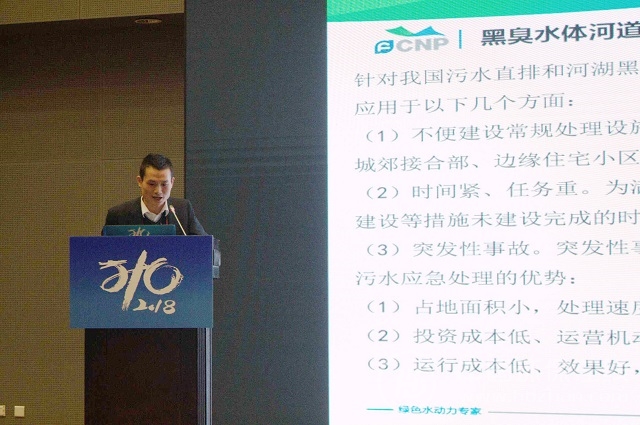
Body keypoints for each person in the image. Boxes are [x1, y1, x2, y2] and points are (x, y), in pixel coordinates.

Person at [105, 153, 208, 235]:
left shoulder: (183, 210)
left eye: (164, 184)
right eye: (151, 184)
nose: (158, 191)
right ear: (140, 181)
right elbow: (104, 250)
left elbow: (207, 246)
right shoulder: (118, 215)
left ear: (172, 182)